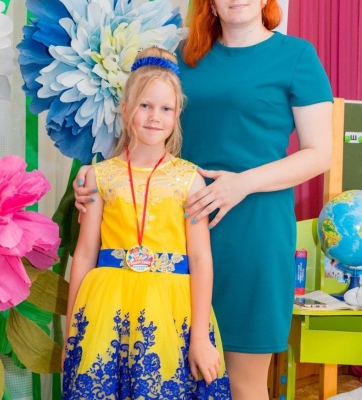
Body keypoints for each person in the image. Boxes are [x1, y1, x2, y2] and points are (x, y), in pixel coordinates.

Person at [74, 1, 334, 399]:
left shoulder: (296, 56)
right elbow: (146, 126)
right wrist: (96, 176)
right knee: (171, 378)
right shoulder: (180, 57)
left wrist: (241, 184)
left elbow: (319, 154)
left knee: (244, 381)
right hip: (173, 238)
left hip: (253, 233)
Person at [63, 47, 232, 399]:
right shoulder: (98, 176)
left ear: (177, 114)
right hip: (106, 310)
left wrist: (199, 337)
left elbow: (200, 258)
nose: (155, 117)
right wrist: (72, 330)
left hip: (170, 313)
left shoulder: (190, 180)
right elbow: (85, 254)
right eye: (145, 105)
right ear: (125, 109)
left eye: (166, 109)